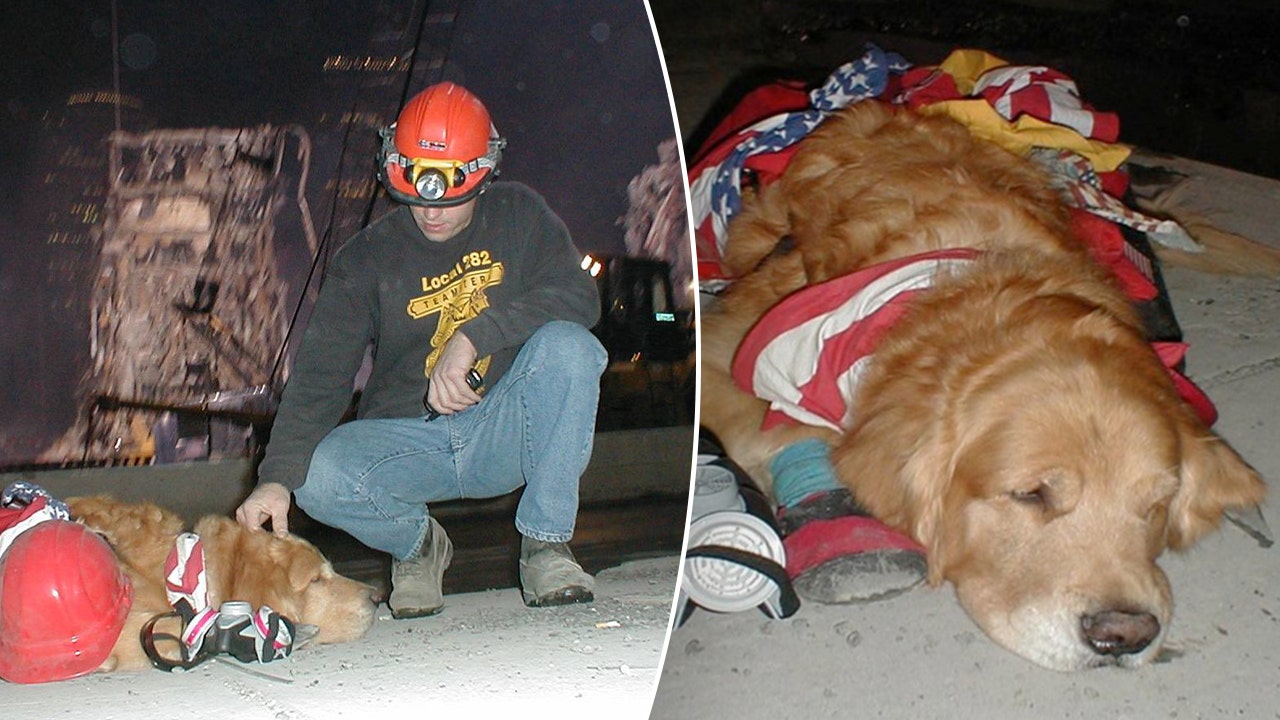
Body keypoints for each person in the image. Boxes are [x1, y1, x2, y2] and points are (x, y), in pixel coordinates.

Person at [235, 82, 607, 619]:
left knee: (571, 347)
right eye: (414, 196)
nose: (431, 214)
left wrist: (474, 335)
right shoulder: (365, 258)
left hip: (500, 428)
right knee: (314, 474)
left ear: (485, 173)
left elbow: (578, 296)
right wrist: (275, 479)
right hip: (408, 441)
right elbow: (320, 377)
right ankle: (417, 547)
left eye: (451, 200)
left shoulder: (519, 215)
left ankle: (546, 545)